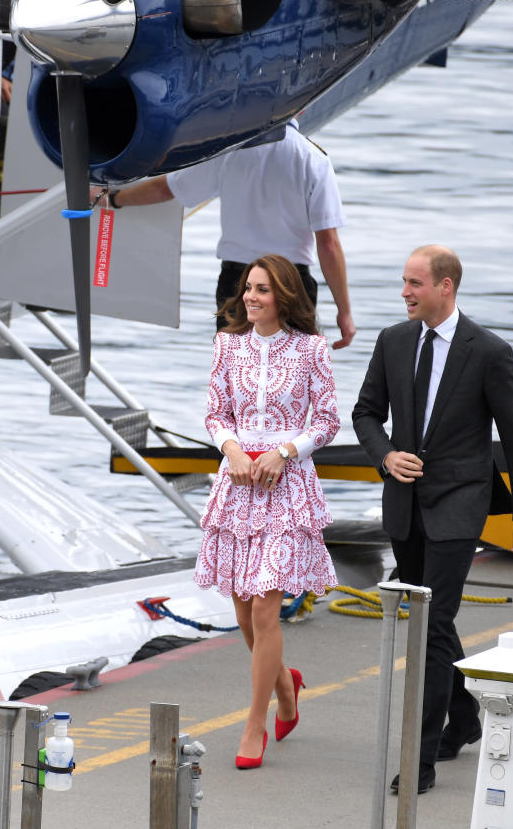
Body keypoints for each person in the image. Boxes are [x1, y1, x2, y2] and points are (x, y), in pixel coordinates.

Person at [351, 244, 513, 793]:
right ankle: (464, 720)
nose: (405, 292)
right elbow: (365, 412)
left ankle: (421, 761)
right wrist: (386, 454)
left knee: (431, 624)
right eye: (403, 282)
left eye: (415, 283)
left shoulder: (488, 351)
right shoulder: (393, 341)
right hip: (406, 506)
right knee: (433, 625)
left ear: (446, 287)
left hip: (460, 506)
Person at [194, 254, 340, 770]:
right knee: (240, 608)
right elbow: (215, 413)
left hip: (286, 485)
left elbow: (326, 420)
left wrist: (284, 452)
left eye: (262, 290)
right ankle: (284, 680)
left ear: (285, 296)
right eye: (248, 289)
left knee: (264, 607)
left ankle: (255, 721)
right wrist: (232, 450)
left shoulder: (311, 349)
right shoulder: (227, 345)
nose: (251, 297)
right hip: (236, 485)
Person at [94, 122, 356, 348]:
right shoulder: (313, 158)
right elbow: (328, 244)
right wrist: (344, 312)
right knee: (291, 383)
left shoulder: (227, 152)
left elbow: (168, 189)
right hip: (292, 283)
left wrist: (113, 199)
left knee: (237, 382)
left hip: (239, 281)